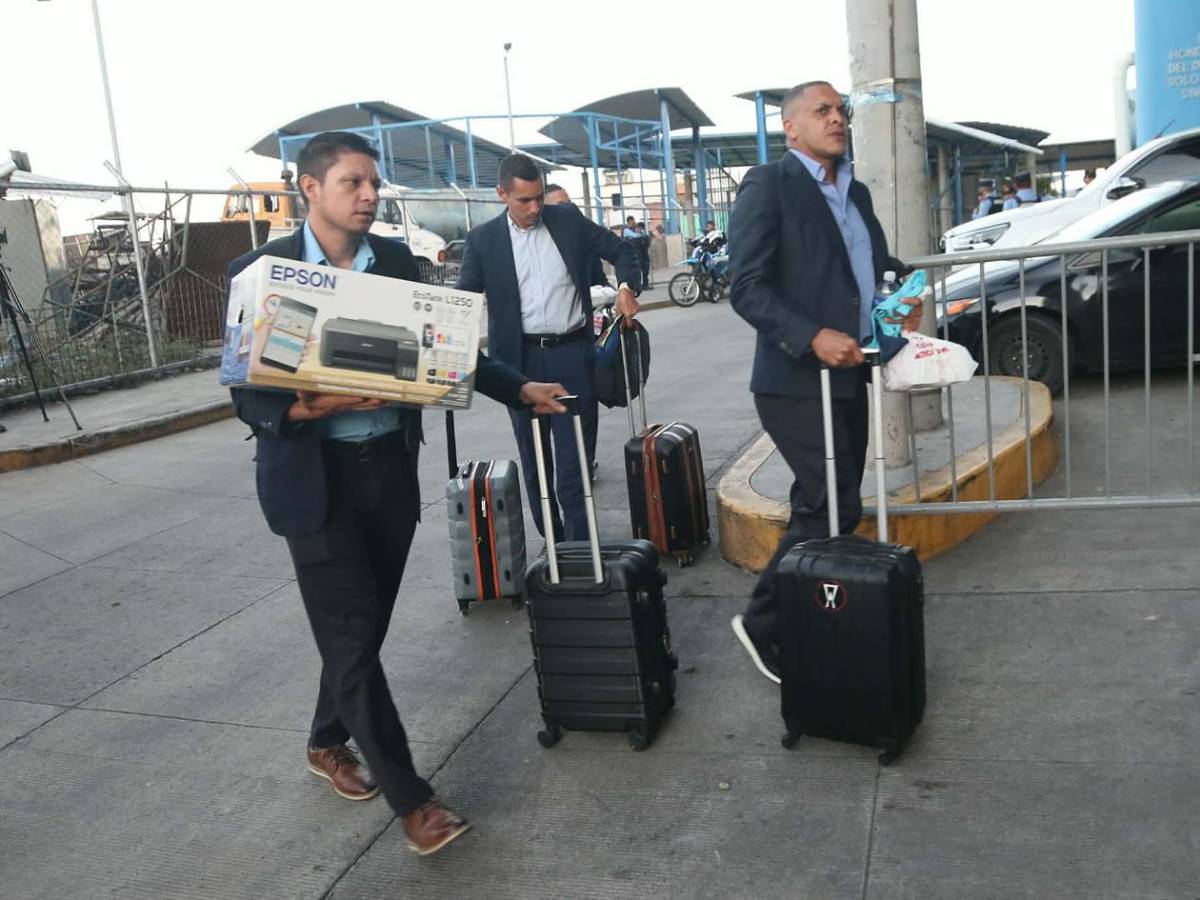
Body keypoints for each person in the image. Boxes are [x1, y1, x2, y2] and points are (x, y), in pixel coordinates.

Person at [228, 132, 567, 857]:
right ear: (309, 188)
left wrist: (519, 386)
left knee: (362, 629)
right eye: (353, 182)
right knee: (352, 634)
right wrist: (306, 409)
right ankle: (415, 803)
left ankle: (326, 739)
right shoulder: (264, 272)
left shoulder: (392, 262)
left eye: (373, 183)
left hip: (386, 473)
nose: (370, 195)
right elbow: (246, 393)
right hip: (315, 483)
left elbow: (452, 352)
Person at [725, 81, 921, 684]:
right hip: (792, 378)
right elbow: (747, 286)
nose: (838, 119)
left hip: (851, 371)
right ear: (791, 127)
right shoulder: (769, 186)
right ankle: (763, 623)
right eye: (824, 111)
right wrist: (811, 335)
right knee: (826, 501)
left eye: (842, 110)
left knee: (837, 504)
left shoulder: (855, 191)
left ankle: (816, 616)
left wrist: (902, 294)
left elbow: (874, 269)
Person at [457, 153, 641, 540]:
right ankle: (553, 547)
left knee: (575, 462)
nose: (535, 207)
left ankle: (578, 550)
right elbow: (461, 304)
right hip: (518, 364)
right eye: (524, 200)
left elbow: (623, 251)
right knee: (535, 460)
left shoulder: (567, 221)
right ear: (502, 194)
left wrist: (625, 287)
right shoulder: (483, 241)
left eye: (539, 197)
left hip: (573, 354)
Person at [542, 181, 611, 482]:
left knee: (584, 408)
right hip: (539, 349)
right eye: (559, 205)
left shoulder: (582, 243)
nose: (567, 211)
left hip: (579, 339)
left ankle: (586, 462)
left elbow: (601, 283)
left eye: (570, 204)